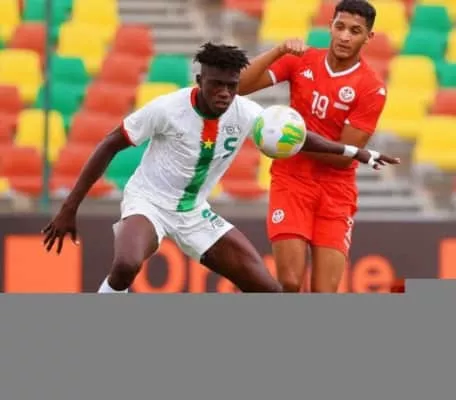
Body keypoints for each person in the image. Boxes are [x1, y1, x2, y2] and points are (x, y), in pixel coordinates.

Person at [41, 42, 397, 294]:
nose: (225, 93)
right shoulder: (167, 109)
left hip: (195, 213)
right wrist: (70, 208)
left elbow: (298, 137)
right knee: (126, 265)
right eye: (217, 84)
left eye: (232, 85)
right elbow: (109, 144)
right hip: (149, 203)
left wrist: (356, 152)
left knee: (269, 290)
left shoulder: (245, 112)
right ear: (200, 81)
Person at [238, 0, 388, 292]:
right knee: (290, 281)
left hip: (336, 191)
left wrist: (290, 139)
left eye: (355, 31)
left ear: (368, 37)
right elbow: (241, 86)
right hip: (291, 181)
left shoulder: (372, 88)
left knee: (323, 292)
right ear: (330, 26)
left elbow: (343, 157)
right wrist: (278, 50)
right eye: (340, 27)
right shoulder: (301, 60)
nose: (345, 36)